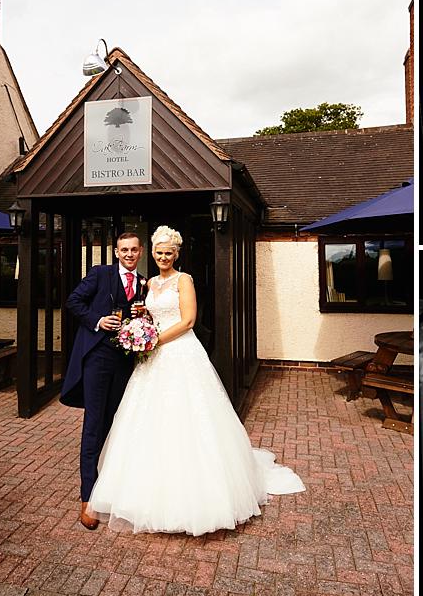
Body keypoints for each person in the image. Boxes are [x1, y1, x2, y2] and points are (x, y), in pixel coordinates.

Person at [86, 226, 304, 535]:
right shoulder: (150, 283)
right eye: (158, 252)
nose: (163, 257)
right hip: (153, 358)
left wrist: (154, 340)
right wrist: (141, 323)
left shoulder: (183, 280)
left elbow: (188, 320)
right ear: (154, 253)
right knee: (149, 420)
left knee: (187, 416)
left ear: (177, 254)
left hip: (179, 353)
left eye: (168, 253)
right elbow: (150, 316)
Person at [62, 232, 146, 530]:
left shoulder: (144, 284)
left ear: (140, 251)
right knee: (94, 426)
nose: (129, 254)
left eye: (134, 249)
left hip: (125, 363)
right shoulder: (100, 274)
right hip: (98, 359)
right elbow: (73, 301)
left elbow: (144, 323)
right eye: (124, 249)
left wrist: (143, 317)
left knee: (117, 426)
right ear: (115, 252)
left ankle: (112, 488)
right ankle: (87, 499)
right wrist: (98, 320)